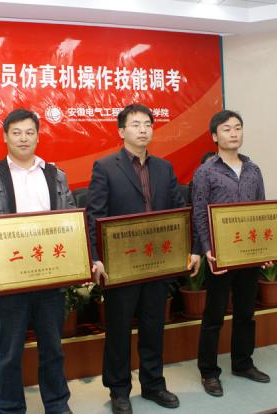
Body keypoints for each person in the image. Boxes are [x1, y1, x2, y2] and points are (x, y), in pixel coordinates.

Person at [87, 104, 198, 414]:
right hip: (120, 264)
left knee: (153, 325)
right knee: (119, 329)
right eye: (136, 124)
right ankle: (119, 389)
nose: (143, 129)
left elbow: (179, 212)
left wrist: (187, 249)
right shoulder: (105, 167)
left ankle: (153, 384)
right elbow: (94, 215)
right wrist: (95, 258)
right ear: (122, 131)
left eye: (148, 124)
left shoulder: (164, 167)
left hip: (157, 261)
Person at [0, 108, 74, 414]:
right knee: (9, 352)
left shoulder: (55, 174)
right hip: (10, 276)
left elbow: (70, 221)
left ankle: (57, 404)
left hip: (50, 274)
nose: (23, 138)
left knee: (53, 348)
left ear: (38, 136)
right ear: (5, 137)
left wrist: (80, 262)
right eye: (16, 133)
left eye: (29, 132)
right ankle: (10, 408)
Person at [191, 110, 270, 398]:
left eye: (238, 128)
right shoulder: (205, 172)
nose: (233, 133)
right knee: (214, 315)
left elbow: (262, 210)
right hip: (220, 257)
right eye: (226, 129)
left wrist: (267, 248)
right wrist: (207, 250)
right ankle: (209, 372)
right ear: (215, 136)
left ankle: (243, 363)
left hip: (248, 253)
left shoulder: (253, 170)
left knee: (246, 312)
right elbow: (199, 213)